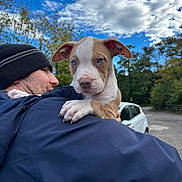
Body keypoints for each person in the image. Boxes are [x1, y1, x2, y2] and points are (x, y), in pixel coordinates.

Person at [0, 44, 182, 182]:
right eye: (45, 70)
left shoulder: (12, 109)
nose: (54, 80)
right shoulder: (45, 115)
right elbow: (165, 166)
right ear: (16, 76)